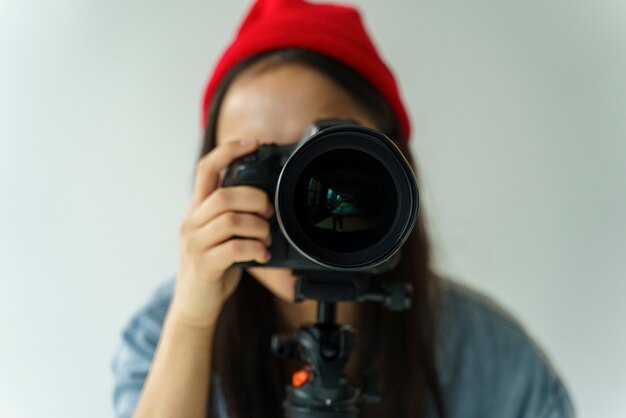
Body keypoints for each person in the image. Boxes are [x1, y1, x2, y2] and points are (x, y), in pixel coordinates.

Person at [111, 0, 575, 417]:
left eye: (328, 165)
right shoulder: (162, 338)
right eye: (264, 168)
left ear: (395, 170)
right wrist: (191, 322)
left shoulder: (494, 360)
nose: (295, 204)